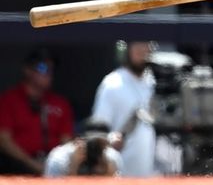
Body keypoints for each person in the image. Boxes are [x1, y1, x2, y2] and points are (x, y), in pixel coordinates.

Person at [0, 48, 74, 175]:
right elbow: (3, 140)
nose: (48, 73)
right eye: (43, 68)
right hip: (17, 167)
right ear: (27, 70)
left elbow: (66, 141)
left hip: (53, 166)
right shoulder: (8, 100)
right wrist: (32, 164)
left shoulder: (60, 103)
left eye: (51, 70)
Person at [91, 41, 156, 177]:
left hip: (154, 174)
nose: (142, 49)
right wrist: (112, 139)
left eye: (145, 43)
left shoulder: (156, 82)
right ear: (126, 48)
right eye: (137, 43)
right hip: (121, 173)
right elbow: (97, 133)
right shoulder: (112, 83)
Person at [44, 118, 122, 177]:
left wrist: (108, 171)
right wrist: (73, 167)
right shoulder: (60, 159)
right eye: (90, 142)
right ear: (78, 140)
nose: (94, 147)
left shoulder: (112, 157)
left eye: (99, 143)